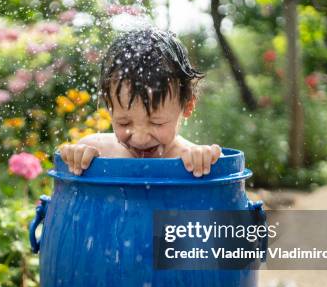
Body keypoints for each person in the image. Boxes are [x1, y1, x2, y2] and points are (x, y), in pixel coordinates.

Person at [60, 27, 221, 177]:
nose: (140, 139)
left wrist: (210, 163)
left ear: (187, 106)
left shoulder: (192, 161)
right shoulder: (96, 153)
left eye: (157, 123)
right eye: (124, 123)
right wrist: (75, 159)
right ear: (109, 107)